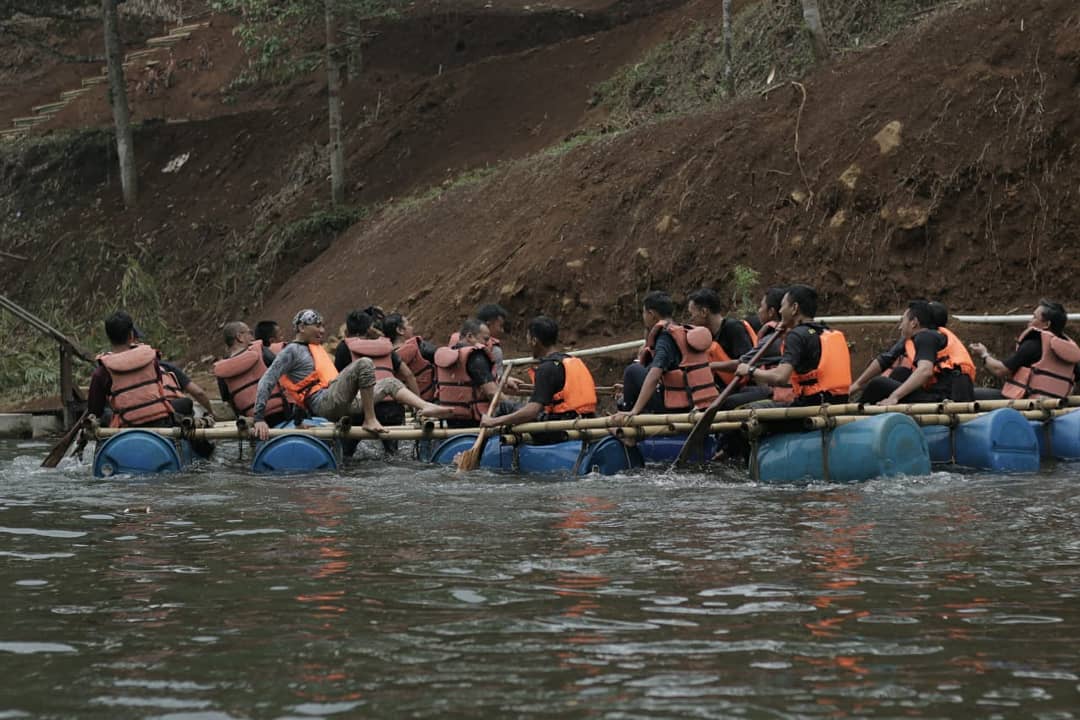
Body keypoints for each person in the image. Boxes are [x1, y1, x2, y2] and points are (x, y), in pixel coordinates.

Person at [250, 309, 448, 441]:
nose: (322, 330)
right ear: (302, 328)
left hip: (338, 401)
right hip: (324, 403)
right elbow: (267, 381)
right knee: (364, 364)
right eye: (317, 326)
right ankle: (370, 419)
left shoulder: (313, 349)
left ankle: (425, 407)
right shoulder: (291, 351)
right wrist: (259, 418)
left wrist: (299, 422)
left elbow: (304, 386)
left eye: (322, 325)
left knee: (389, 382)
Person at [479, 316, 597, 443]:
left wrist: (493, 421)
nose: (528, 343)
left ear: (535, 341)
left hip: (560, 427)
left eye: (528, 338)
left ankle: (482, 451)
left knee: (505, 406)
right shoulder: (572, 360)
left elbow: (532, 411)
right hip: (584, 419)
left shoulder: (547, 367)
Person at [88, 311, 215, 428]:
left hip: (126, 425)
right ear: (131, 335)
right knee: (185, 403)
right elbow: (160, 388)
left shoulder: (101, 372)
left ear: (109, 337)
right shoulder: (152, 360)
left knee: (105, 414)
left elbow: (94, 412)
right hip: (161, 421)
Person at [734, 284, 851, 406]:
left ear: (794, 308)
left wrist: (750, 370)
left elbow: (780, 377)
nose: (780, 311)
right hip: (835, 402)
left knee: (748, 408)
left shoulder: (796, 335)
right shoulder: (824, 331)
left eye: (783, 306)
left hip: (810, 406)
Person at [612, 290, 718, 422]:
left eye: (644, 313)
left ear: (651, 314)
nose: (643, 317)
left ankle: (627, 416)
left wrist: (635, 411)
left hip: (677, 407)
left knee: (632, 371)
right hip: (698, 403)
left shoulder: (665, 337)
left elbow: (654, 374)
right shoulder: (681, 331)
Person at [854, 300, 974, 405]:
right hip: (944, 390)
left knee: (877, 384)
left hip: (948, 397)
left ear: (914, 322)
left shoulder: (925, 337)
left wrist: (894, 396)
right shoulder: (930, 335)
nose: (900, 327)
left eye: (903, 321)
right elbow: (886, 359)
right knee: (901, 372)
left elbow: (925, 371)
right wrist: (857, 385)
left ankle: (855, 410)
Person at [969, 301, 1080, 400]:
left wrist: (984, 354)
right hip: (1055, 408)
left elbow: (1000, 370)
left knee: (968, 393)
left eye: (1034, 317)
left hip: (1025, 405)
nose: (1029, 321)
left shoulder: (1034, 344)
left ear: (1047, 324)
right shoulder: (1071, 355)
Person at [720, 286, 790, 409]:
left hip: (780, 392)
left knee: (727, 402)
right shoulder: (775, 333)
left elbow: (741, 363)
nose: (759, 310)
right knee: (741, 391)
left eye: (761, 306)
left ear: (771, 312)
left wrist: (709, 366)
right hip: (772, 387)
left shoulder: (774, 339)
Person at [213, 321, 291, 427]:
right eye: (249, 333)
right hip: (282, 415)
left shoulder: (222, 371)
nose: (252, 337)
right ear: (239, 337)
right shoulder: (261, 351)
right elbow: (284, 372)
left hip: (253, 423)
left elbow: (229, 402)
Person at [435, 318, 506, 428]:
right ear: (470, 336)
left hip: (452, 423)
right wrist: (515, 410)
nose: (488, 343)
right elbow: (492, 393)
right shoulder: (475, 356)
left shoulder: (451, 355)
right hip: (476, 424)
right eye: (485, 339)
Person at [685, 287, 756, 390]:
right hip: (724, 388)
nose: (691, 319)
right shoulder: (706, 336)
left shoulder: (733, 328)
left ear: (704, 312)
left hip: (746, 388)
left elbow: (747, 362)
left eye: (692, 314)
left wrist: (711, 366)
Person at [384, 312, 437, 401]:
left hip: (403, 403)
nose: (411, 328)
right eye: (408, 325)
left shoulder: (386, 356)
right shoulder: (419, 347)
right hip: (428, 402)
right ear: (400, 330)